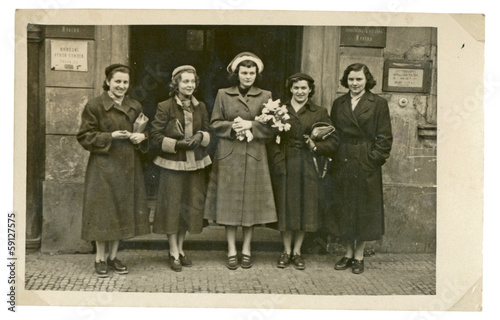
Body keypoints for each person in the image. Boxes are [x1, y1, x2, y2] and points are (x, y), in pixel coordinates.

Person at [205, 52, 277, 270]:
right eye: (244, 73)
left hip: (254, 154)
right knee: (228, 204)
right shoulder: (223, 94)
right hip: (229, 154)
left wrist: (252, 126)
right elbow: (215, 123)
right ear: (237, 74)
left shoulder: (266, 95)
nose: (248, 77)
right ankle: (231, 249)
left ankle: (246, 248)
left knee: (251, 205)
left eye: (252, 73)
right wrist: (234, 128)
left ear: (257, 74)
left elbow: (272, 127)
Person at [77, 64, 150, 278]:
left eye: (125, 82)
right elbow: (84, 136)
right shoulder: (95, 105)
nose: (121, 86)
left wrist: (141, 138)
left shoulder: (135, 105)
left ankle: (113, 257)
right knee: (103, 213)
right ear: (108, 81)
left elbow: (145, 130)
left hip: (128, 167)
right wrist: (110, 137)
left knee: (122, 210)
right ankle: (99, 258)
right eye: (117, 81)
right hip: (103, 168)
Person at [267, 73, 339, 270]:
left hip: (308, 164)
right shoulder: (280, 109)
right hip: (286, 162)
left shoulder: (319, 111)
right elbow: (271, 139)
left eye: (304, 88)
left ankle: (297, 251)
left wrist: (316, 147)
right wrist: (277, 161)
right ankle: (285, 250)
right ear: (290, 89)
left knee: (304, 207)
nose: (300, 91)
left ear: (310, 90)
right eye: (296, 88)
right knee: (286, 207)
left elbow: (333, 140)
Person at [330, 63, 393, 274]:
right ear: (345, 81)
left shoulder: (378, 104)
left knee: (364, 208)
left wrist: (372, 160)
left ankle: (359, 256)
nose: (354, 84)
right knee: (344, 207)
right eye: (351, 79)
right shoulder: (339, 103)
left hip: (365, 160)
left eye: (358, 79)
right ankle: (347, 253)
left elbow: (385, 138)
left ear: (367, 80)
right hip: (343, 160)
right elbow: (334, 133)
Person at [150, 65, 211, 272]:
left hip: (195, 165)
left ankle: (181, 249)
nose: (190, 85)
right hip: (172, 165)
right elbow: (155, 136)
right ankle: (173, 251)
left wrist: (200, 136)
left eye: (193, 82)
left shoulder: (200, 106)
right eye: (185, 81)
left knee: (187, 207)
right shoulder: (165, 106)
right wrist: (177, 144)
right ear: (176, 84)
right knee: (172, 207)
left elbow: (208, 129)